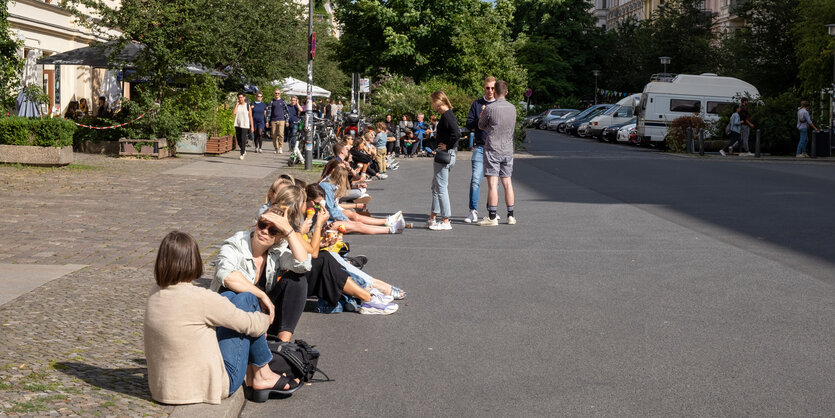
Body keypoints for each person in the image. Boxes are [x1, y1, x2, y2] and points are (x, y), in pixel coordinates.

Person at [145, 231, 300, 406]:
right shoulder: (200, 298)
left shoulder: (155, 293)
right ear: (194, 261)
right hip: (208, 388)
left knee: (234, 297)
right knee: (248, 300)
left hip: (162, 390)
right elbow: (251, 325)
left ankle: (262, 374)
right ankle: (263, 374)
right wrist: (266, 319)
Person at [211, 199, 310, 342]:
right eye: (262, 225)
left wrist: (289, 232)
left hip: (263, 316)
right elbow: (226, 275)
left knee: (298, 280)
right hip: (232, 316)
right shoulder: (236, 243)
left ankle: (282, 345)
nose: (264, 231)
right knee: (240, 294)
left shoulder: (277, 250)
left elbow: (303, 265)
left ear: (279, 237)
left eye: (273, 230)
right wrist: (262, 295)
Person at [320, 165, 405, 235]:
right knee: (357, 225)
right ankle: (391, 229)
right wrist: (345, 220)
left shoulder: (328, 184)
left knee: (355, 220)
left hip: (327, 219)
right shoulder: (328, 188)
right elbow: (331, 209)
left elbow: (333, 207)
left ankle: (389, 224)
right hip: (326, 223)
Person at [477, 80, 517, 226]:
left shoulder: (490, 108)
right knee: (507, 182)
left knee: (493, 184)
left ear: (494, 92)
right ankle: (511, 215)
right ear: (506, 92)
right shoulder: (513, 108)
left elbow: (481, 125)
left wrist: (482, 114)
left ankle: (492, 217)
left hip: (493, 148)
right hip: (507, 148)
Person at [425, 91, 461, 231]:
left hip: (445, 155)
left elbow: (456, 133)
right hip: (446, 154)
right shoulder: (447, 114)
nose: (431, 105)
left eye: (432, 102)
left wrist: (448, 145)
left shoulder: (447, 115)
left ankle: (446, 220)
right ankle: (432, 217)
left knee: (441, 188)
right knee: (436, 186)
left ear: (438, 101)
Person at [464, 76, 497, 223]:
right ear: (484, 88)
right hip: (480, 147)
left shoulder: (499, 105)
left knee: (494, 183)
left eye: (493, 88)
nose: (490, 91)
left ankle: (492, 211)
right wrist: (480, 118)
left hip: (495, 149)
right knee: (475, 180)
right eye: (487, 88)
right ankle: (473, 211)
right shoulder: (477, 104)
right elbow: (469, 124)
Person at [233, 93, 254, 160]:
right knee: (238, 139)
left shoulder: (247, 106)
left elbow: (250, 117)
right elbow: (234, 113)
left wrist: (252, 126)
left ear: (244, 98)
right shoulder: (237, 105)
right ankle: (243, 149)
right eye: (239, 97)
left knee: (243, 138)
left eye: (241, 97)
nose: (240, 99)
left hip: (245, 124)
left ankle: (242, 153)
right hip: (238, 124)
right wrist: (236, 104)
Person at [269, 89, 288, 154]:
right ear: (274, 94)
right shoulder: (272, 101)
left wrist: (287, 120)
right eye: (276, 93)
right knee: (274, 135)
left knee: (281, 134)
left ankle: (280, 147)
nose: (277, 94)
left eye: (278, 93)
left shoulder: (283, 101)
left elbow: (286, 111)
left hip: (281, 119)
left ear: (280, 94)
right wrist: (267, 121)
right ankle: (276, 148)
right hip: (273, 120)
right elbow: (269, 112)